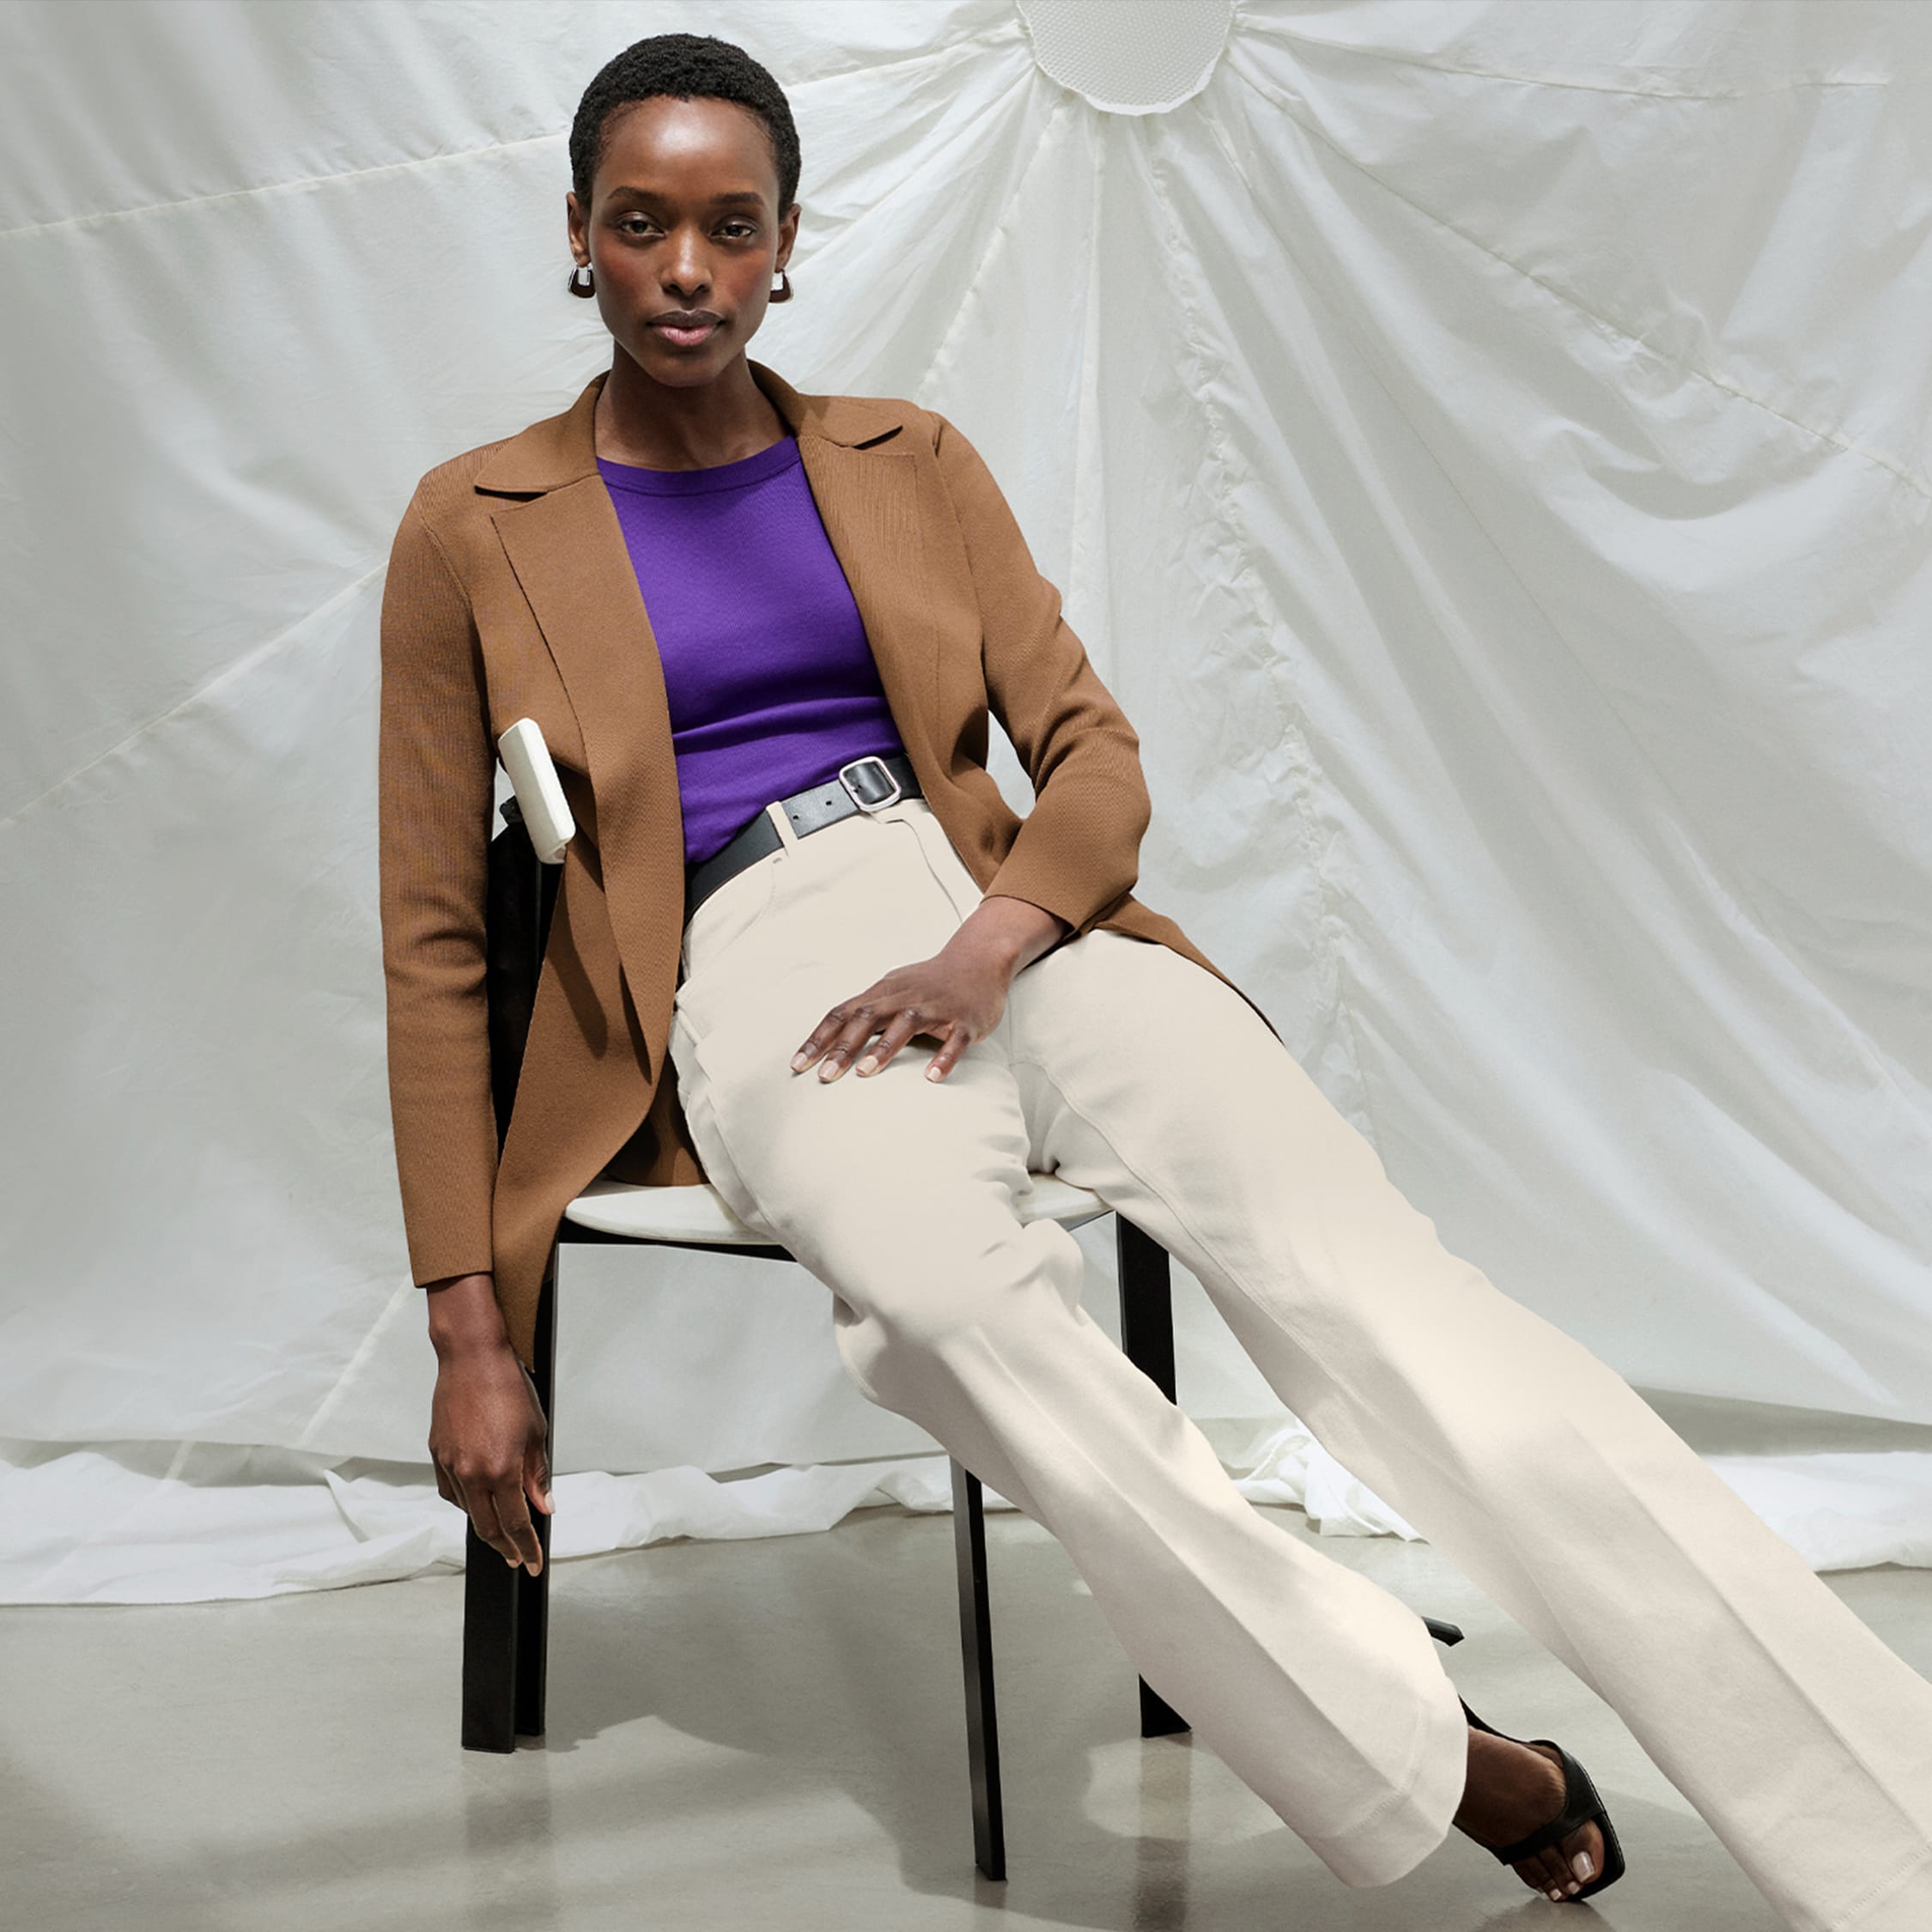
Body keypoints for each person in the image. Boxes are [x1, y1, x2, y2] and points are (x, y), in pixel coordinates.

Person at [377, 31, 1932, 1929]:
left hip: (1008, 917)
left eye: (730, 225)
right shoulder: (480, 524)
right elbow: (438, 933)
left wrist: (986, 943)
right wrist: (467, 1328)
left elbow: (1090, 754)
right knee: (951, 1315)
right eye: (643, 226)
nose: (687, 268)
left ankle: (1896, 1845)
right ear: (579, 238)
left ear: (788, 245)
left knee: (1412, 1319)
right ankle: (1448, 1759)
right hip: (755, 963)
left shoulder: (904, 459)